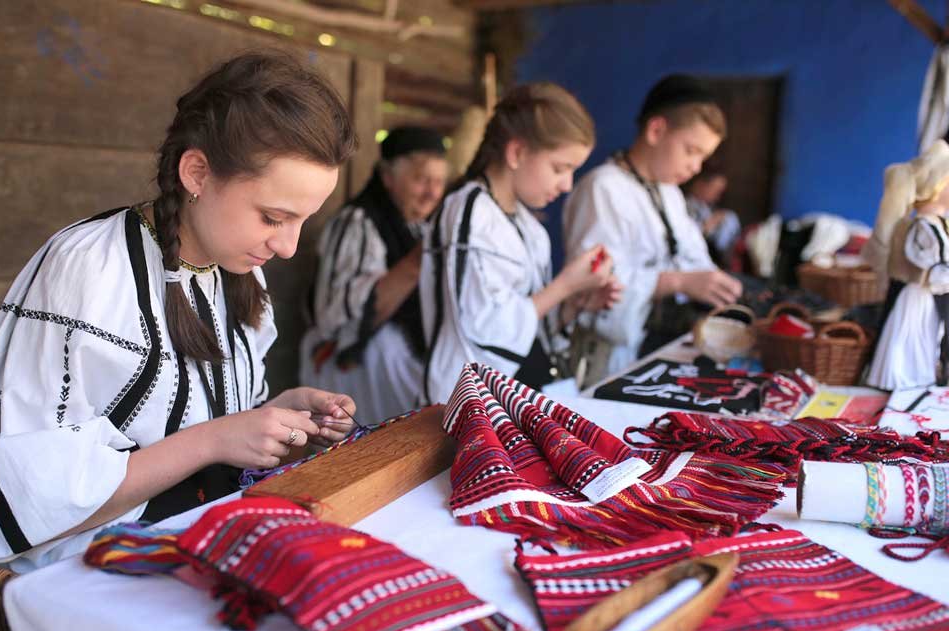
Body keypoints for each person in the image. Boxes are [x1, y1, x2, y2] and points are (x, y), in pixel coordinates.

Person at [0, 51, 359, 570]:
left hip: (195, 555)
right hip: (86, 581)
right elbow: (27, 491)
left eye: (303, 221)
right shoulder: (88, 270)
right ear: (197, 173)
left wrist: (277, 417)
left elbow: (199, 426)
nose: (290, 247)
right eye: (274, 217)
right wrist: (214, 441)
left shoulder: (240, 273)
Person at [419, 82, 621, 404]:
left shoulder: (531, 228)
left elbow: (530, 329)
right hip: (470, 406)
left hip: (517, 399)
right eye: (560, 168)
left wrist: (575, 303)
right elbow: (484, 332)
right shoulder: (468, 212)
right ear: (517, 153)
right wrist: (565, 286)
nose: (567, 185)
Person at [563, 74, 743, 379]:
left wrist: (714, 288)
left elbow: (693, 261)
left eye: (703, 157)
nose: (696, 167)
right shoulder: (603, 188)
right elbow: (593, 287)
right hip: (610, 364)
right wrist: (676, 282)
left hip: (658, 353)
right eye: (691, 150)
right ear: (656, 130)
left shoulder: (669, 193)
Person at [300, 126, 448, 424]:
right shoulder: (356, 223)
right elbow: (332, 319)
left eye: (440, 182)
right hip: (350, 362)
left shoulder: (419, 226)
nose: (433, 192)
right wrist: (418, 262)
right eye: (421, 180)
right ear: (388, 177)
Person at [864, 140, 949, 390]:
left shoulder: (936, 224)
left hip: (928, 293)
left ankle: (920, 377)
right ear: (937, 187)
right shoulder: (924, 226)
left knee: (925, 336)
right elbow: (933, 265)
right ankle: (904, 380)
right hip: (919, 293)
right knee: (911, 337)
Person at [684, 168, 741, 265]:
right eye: (715, 190)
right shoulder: (684, 205)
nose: (717, 196)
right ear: (700, 185)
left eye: (720, 192)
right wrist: (710, 223)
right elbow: (685, 239)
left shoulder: (707, 208)